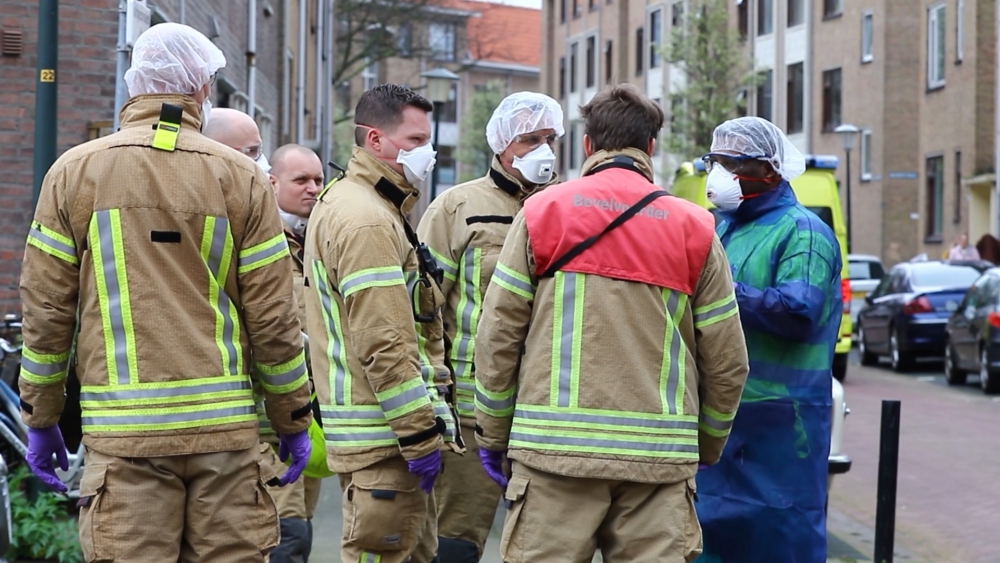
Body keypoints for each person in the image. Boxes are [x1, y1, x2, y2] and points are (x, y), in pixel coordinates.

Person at [19, 23, 312, 562]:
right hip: (223, 439)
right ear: (201, 88)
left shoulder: (74, 173)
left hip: (125, 442)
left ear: (135, 84)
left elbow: (46, 311)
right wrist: (292, 419)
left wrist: (41, 417)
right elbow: (275, 318)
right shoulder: (242, 178)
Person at [474, 83, 749, 562]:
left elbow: (497, 336)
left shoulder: (543, 213)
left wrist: (494, 435)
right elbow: (728, 362)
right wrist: (703, 447)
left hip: (553, 459)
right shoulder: (695, 229)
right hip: (657, 469)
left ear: (587, 145)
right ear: (650, 147)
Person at [302, 83, 461, 563]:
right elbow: (386, 344)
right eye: (414, 142)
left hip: (383, 440)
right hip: (386, 445)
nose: (426, 153)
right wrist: (417, 435)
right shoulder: (367, 219)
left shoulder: (369, 204)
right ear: (375, 140)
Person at [415, 91, 563, 562]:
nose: (544, 149)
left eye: (550, 138)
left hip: (544, 416)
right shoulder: (458, 207)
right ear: (501, 144)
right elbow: (421, 307)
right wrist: (433, 394)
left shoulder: (566, 210)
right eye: (530, 139)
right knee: (457, 543)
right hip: (471, 414)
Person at [695, 116, 843, 563]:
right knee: (710, 539)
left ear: (770, 171)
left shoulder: (804, 232)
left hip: (782, 424)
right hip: (724, 414)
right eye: (715, 161)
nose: (720, 174)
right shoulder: (720, 227)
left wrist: (716, 293)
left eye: (733, 163)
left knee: (779, 542)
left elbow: (799, 311)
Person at [205, 111, 324, 563]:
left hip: (301, 416)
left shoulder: (315, 241)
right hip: (260, 422)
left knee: (300, 528)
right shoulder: (250, 238)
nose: (313, 188)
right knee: (284, 535)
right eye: (301, 180)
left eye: (317, 180)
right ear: (272, 184)